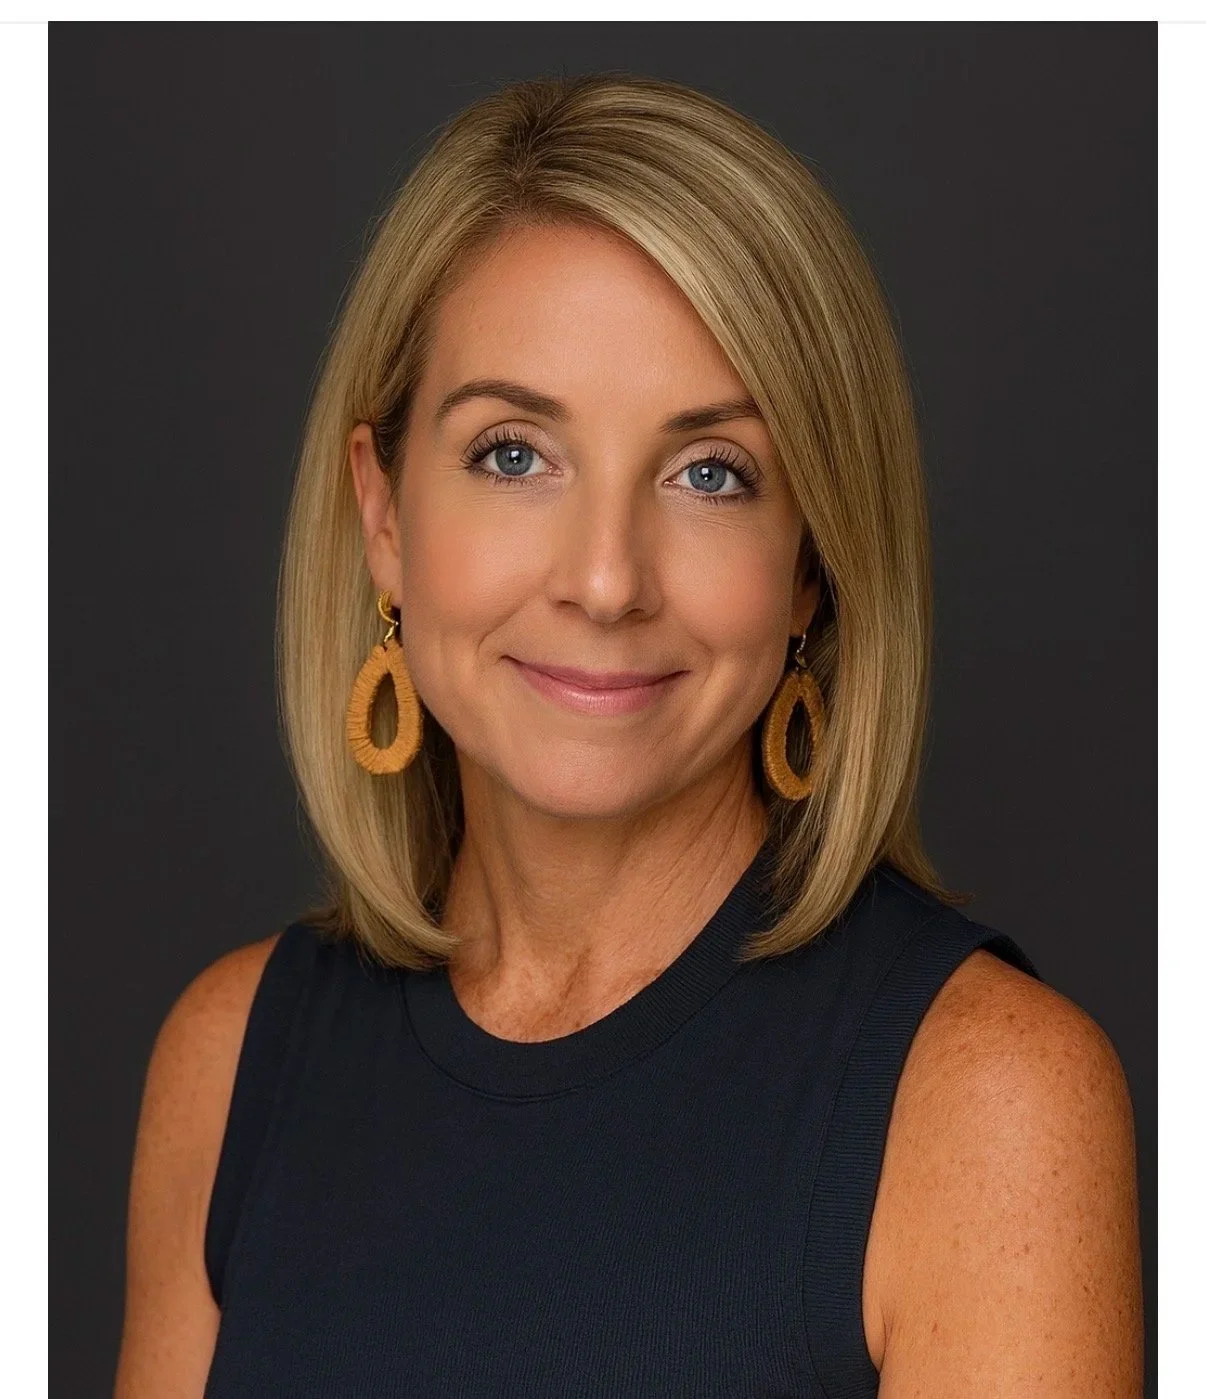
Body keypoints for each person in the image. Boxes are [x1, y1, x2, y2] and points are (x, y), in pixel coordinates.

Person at [113, 73, 1143, 1398]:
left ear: (810, 564)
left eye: (708, 471)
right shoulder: (229, 1056)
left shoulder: (990, 1099)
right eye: (512, 453)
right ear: (382, 515)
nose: (605, 580)